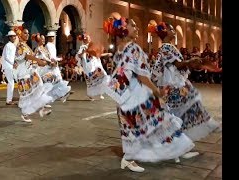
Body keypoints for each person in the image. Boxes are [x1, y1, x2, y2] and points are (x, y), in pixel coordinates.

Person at [102, 13, 196, 172]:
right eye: (133, 25)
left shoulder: (121, 48)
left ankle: (176, 150)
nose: (137, 27)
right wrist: (157, 93)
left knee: (157, 121)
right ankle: (130, 158)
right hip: (135, 96)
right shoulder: (131, 48)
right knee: (148, 123)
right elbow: (142, 76)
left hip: (128, 95)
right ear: (124, 29)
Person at [148, 21, 221, 143]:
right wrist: (190, 61)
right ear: (166, 32)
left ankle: (183, 138)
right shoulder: (167, 47)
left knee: (187, 107)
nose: (174, 32)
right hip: (173, 85)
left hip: (175, 84)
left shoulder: (167, 47)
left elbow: (176, 65)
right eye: (171, 29)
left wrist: (191, 62)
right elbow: (177, 64)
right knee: (185, 108)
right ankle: (179, 139)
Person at [13, 26, 54, 121]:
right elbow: (27, 56)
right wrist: (38, 60)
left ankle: (41, 109)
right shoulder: (20, 46)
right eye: (25, 33)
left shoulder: (26, 46)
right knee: (26, 95)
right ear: (20, 34)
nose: (27, 35)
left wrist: (41, 63)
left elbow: (31, 57)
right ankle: (25, 113)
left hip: (30, 72)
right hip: (23, 73)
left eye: (28, 33)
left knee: (39, 87)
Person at [33, 33, 71, 105]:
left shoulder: (45, 49)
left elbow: (49, 58)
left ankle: (59, 95)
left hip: (48, 68)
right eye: (42, 39)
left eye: (44, 39)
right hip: (42, 70)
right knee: (49, 83)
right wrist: (46, 62)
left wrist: (54, 61)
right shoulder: (37, 49)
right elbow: (36, 60)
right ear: (38, 40)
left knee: (52, 83)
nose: (44, 40)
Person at [76, 33, 111, 100]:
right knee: (91, 82)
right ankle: (90, 95)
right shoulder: (83, 47)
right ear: (85, 39)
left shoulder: (92, 45)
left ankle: (100, 93)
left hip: (95, 64)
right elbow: (79, 56)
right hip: (88, 66)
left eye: (89, 37)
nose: (89, 38)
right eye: (88, 37)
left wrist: (107, 54)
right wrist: (83, 52)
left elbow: (98, 54)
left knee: (103, 76)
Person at [1, 30, 19, 105]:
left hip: (11, 65)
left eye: (15, 36)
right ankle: (9, 100)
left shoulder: (12, 45)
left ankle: (10, 99)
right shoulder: (8, 45)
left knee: (13, 82)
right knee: (11, 82)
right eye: (13, 36)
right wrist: (13, 63)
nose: (14, 37)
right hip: (9, 66)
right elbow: (7, 57)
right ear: (10, 37)